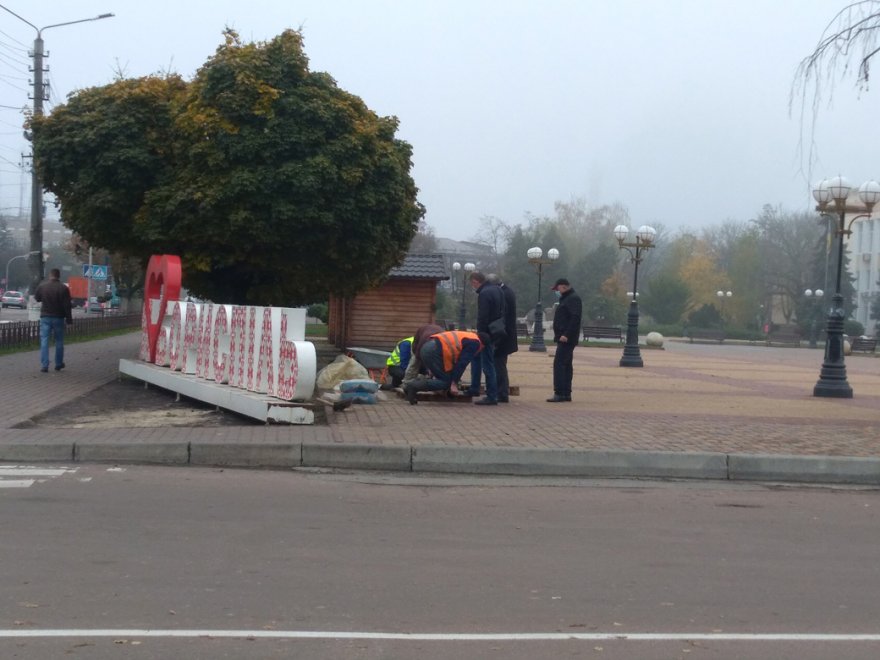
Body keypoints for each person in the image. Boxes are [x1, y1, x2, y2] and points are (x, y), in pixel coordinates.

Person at [404, 330, 489, 405]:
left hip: (427, 346)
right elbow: (462, 363)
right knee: (445, 382)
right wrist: (453, 383)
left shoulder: (468, 336)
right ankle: (413, 386)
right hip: (434, 351)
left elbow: (453, 360)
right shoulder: (475, 343)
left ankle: (412, 386)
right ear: (482, 345)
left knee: (445, 377)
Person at [467, 271, 504, 405]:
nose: (473, 286)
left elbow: (483, 316)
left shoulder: (484, 294)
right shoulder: (498, 290)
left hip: (486, 333)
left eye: (472, 283)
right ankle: (475, 388)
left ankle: (491, 396)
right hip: (495, 330)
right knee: (480, 359)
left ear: (476, 281)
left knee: (487, 364)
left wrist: (481, 333)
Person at [547, 277, 582, 402]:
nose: (557, 291)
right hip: (564, 337)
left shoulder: (573, 299)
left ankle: (560, 392)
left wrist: (566, 334)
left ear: (564, 287)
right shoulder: (567, 298)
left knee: (559, 364)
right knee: (566, 364)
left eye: (558, 289)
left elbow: (575, 318)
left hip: (566, 338)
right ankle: (566, 393)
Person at [34, 268, 74, 373]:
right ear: (59, 276)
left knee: (44, 341)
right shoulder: (64, 288)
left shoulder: (43, 286)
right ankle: (58, 364)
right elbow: (67, 306)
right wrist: (69, 321)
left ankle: (44, 365)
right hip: (58, 318)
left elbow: (37, 298)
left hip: (45, 317)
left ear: (50, 275)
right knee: (59, 341)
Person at [486, 274, 517, 403]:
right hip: (505, 334)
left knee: (498, 364)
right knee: (500, 364)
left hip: (502, 335)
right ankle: (501, 392)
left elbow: (503, 316)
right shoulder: (507, 291)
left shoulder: (503, 294)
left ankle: (502, 393)